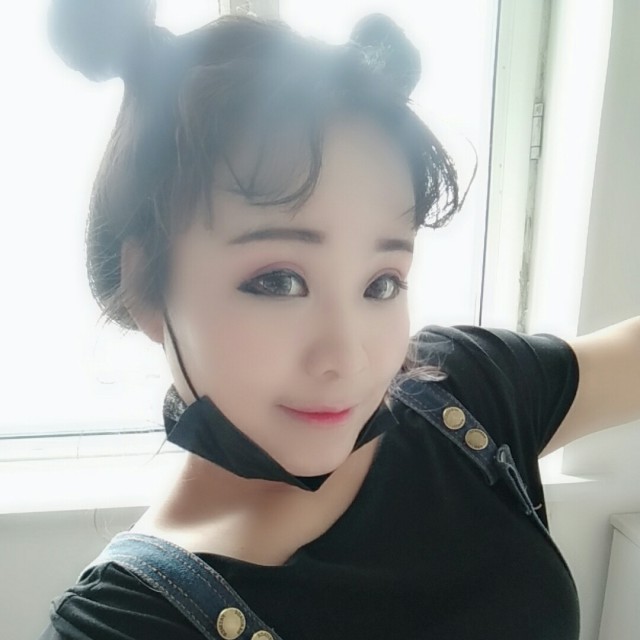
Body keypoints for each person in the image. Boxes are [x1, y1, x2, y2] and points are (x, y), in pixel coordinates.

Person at [38, 1, 587, 638]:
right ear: (145, 287)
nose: (348, 358)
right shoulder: (122, 625)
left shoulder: (464, 392)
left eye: (382, 283)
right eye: (279, 281)